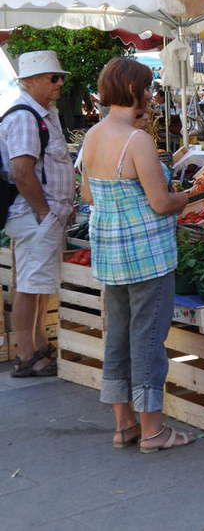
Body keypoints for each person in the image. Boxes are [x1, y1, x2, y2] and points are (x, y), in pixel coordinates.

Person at [80, 57, 194, 452]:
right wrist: (190, 196)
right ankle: (154, 430)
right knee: (148, 340)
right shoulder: (136, 140)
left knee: (119, 336)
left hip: (110, 253)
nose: (151, 94)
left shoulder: (94, 135)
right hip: (148, 255)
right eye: (147, 87)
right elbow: (161, 203)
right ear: (134, 91)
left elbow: (88, 195)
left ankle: (123, 425)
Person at [1, 50, 74, 378]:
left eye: (60, 78)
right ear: (29, 82)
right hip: (33, 215)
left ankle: (39, 343)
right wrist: (44, 212)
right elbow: (21, 171)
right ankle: (26, 355)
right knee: (30, 285)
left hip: (41, 216)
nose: (59, 84)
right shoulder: (24, 116)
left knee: (37, 283)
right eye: (53, 78)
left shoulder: (44, 113)